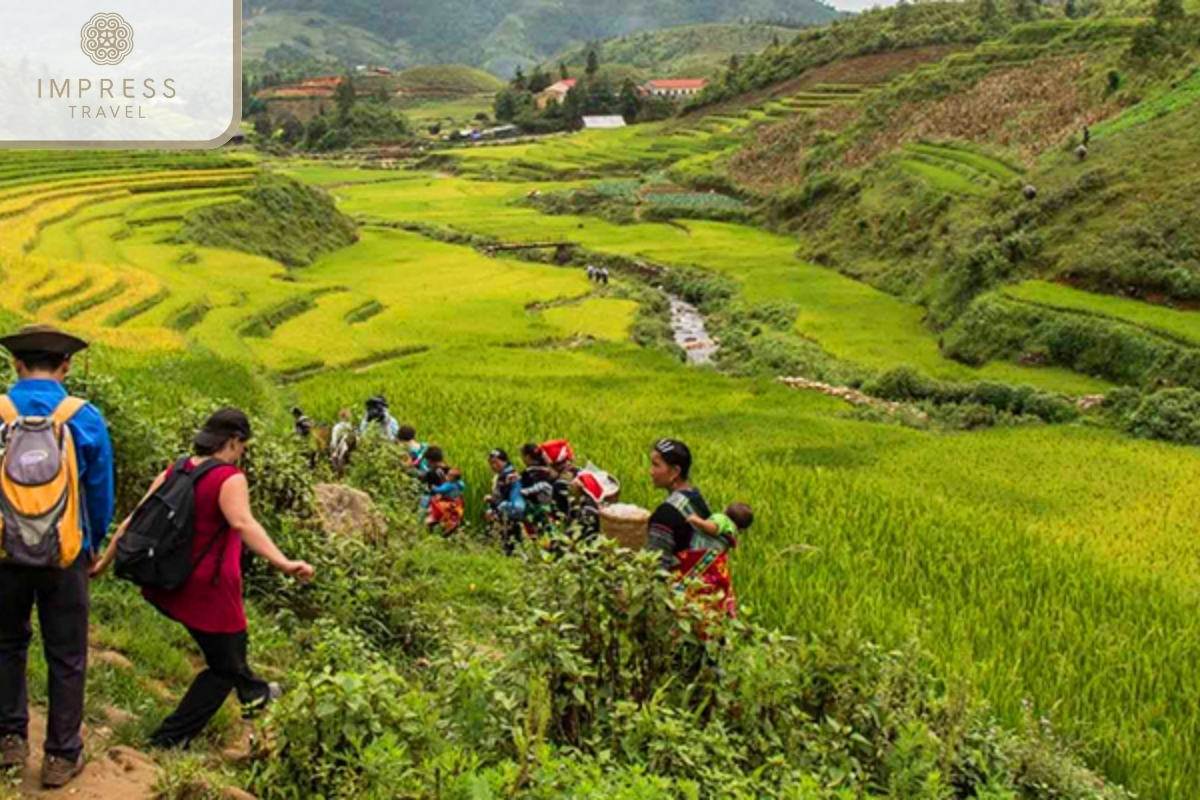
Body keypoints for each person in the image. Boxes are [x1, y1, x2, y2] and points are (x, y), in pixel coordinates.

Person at [93, 409, 314, 750]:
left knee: (228, 658)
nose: (242, 452)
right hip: (212, 592)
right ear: (233, 441)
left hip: (171, 583)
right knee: (225, 666)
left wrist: (102, 563)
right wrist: (284, 563)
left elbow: (134, 520)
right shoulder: (229, 477)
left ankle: (256, 693)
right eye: (242, 445)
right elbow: (243, 524)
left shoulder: (176, 468)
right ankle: (167, 740)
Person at [0, 326, 114, 789]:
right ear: (65, 366)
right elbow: (100, 493)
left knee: (6, 645)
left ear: (15, 365)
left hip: (4, 552)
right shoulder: (85, 418)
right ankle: (61, 757)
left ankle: (9, 740)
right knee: (66, 656)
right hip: (66, 556)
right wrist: (89, 545)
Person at [647, 438, 737, 616]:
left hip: (684, 609)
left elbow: (657, 568)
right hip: (710, 599)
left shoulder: (665, 515)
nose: (651, 472)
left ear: (674, 472)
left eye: (656, 465)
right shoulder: (695, 497)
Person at [484, 449, 526, 553]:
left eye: (496, 462)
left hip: (509, 512)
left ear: (505, 461)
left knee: (509, 539)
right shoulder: (501, 476)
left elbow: (511, 497)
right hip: (502, 511)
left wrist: (492, 500)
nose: (493, 466)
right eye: (491, 463)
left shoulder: (510, 476)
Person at [420, 446, 465, 534]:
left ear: (429, 460)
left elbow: (422, 479)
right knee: (450, 521)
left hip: (437, 501)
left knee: (426, 519)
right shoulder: (451, 470)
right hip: (454, 502)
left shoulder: (431, 472)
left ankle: (427, 537)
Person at [518, 443, 559, 535]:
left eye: (522, 456)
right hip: (552, 508)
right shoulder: (550, 471)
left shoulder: (528, 473)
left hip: (536, 509)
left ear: (528, 457)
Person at [686, 502, 753, 549]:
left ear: (725, 510)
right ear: (741, 530)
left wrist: (698, 521)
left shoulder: (722, 519)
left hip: (700, 548)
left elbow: (714, 528)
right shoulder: (732, 532)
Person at [330, 408, 356, 478]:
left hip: (341, 447)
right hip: (350, 448)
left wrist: (334, 450)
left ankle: (338, 473)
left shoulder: (337, 427)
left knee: (336, 459)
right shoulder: (351, 427)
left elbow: (333, 441)